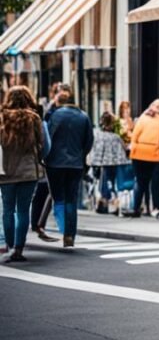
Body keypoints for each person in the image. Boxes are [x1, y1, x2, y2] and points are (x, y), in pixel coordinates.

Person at [1, 87, 51, 262]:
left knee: (8, 210)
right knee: (23, 210)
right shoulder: (34, 118)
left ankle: (9, 245)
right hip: (28, 171)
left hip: (5, 172)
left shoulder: (2, 118)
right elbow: (45, 146)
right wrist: (37, 157)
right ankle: (19, 249)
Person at [43, 86, 93, 247]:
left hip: (55, 163)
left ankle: (64, 229)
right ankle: (70, 235)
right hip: (75, 163)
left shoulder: (54, 115)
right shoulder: (83, 117)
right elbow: (89, 141)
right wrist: (81, 155)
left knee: (59, 198)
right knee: (71, 199)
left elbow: (47, 138)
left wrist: (45, 157)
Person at [31, 82, 68, 241]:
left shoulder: (49, 114)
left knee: (47, 193)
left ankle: (36, 226)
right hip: (54, 159)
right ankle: (42, 226)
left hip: (51, 160)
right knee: (48, 193)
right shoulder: (49, 114)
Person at [129, 99, 159, 218]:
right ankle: (137, 207)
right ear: (150, 106)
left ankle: (156, 207)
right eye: (155, 105)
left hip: (154, 154)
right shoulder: (143, 118)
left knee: (154, 182)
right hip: (141, 154)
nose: (157, 108)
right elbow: (135, 136)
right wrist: (133, 149)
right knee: (141, 182)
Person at [90, 112, 129, 214]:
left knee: (103, 182)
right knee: (113, 183)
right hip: (115, 163)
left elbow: (96, 150)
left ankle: (105, 202)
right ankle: (113, 202)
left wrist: (93, 162)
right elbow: (124, 148)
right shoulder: (116, 137)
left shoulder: (99, 136)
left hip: (103, 163)